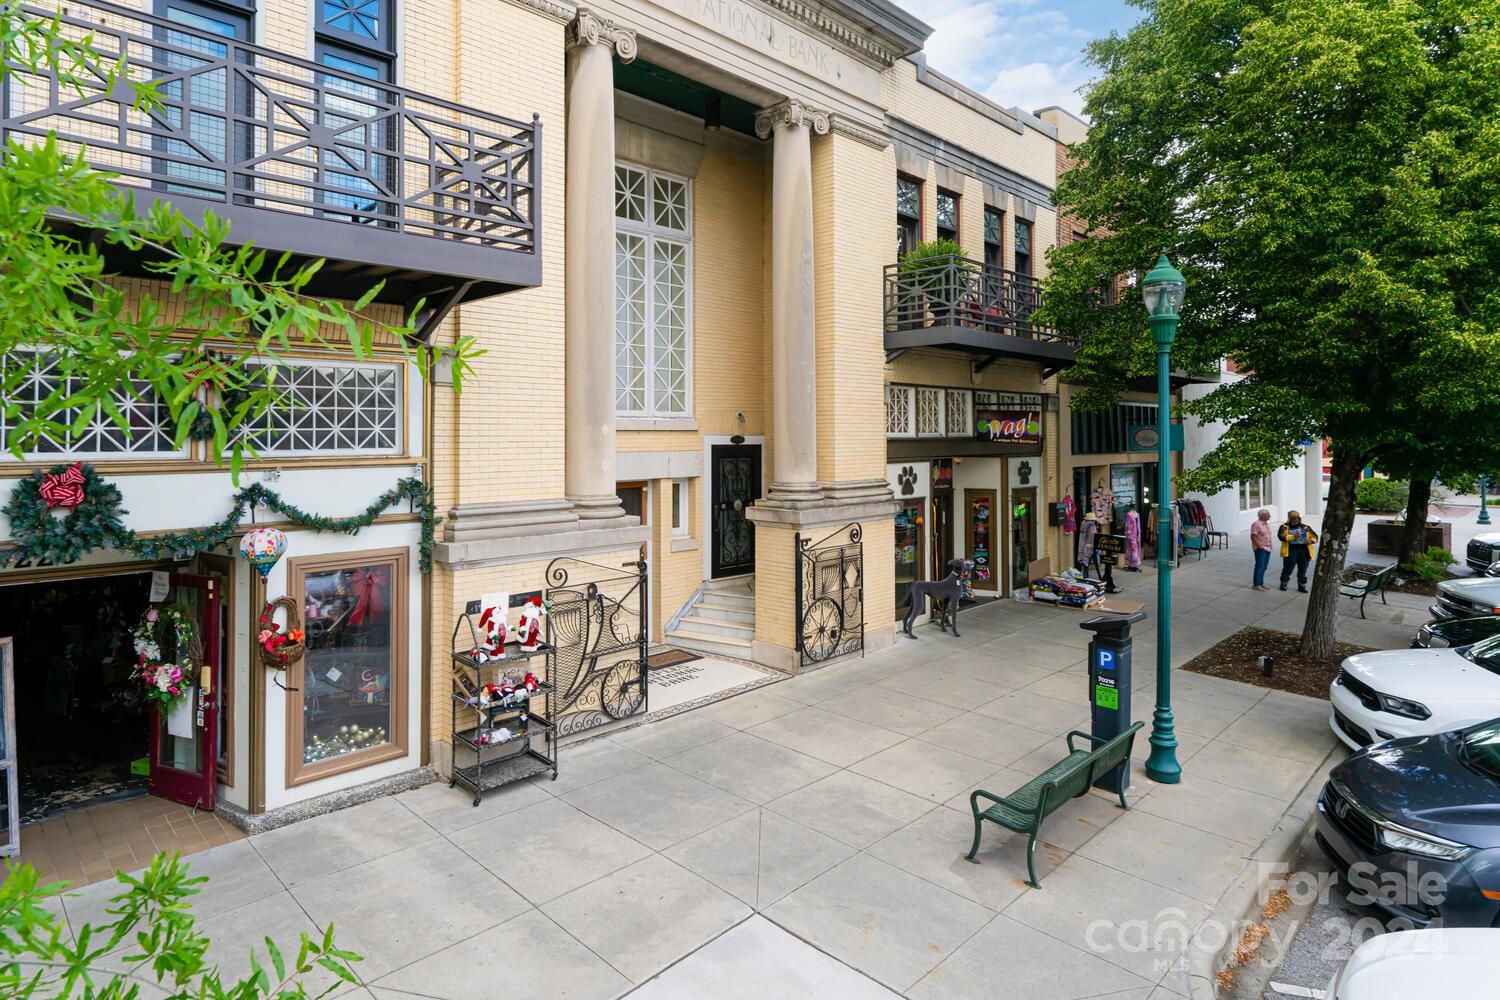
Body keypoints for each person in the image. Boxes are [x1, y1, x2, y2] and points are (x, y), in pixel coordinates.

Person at [1278, 510, 1319, 592]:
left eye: (1297, 517)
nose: (1296, 519)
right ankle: (1283, 584)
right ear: (1289, 518)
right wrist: (1293, 536)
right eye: (1293, 517)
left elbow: (1315, 536)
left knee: (1303, 569)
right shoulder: (1284, 527)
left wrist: (1310, 541)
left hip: (1304, 551)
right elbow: (1281, 537)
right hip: (1291, 550)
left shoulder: (1305, 527)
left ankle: (1302, 586)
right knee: (1288, 568)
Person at [1250, 508, 1273, 590]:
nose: (1270, 516)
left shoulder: (1266, 524)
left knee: (1264, 566)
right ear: (1262, 515)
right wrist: (1259, 546)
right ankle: (1256, 584)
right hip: (1261, 548)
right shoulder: (1256, 524)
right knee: (1259, 566)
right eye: (1268, 514)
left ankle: (1261, 583)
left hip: (1268, 547)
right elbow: (1253, 536)